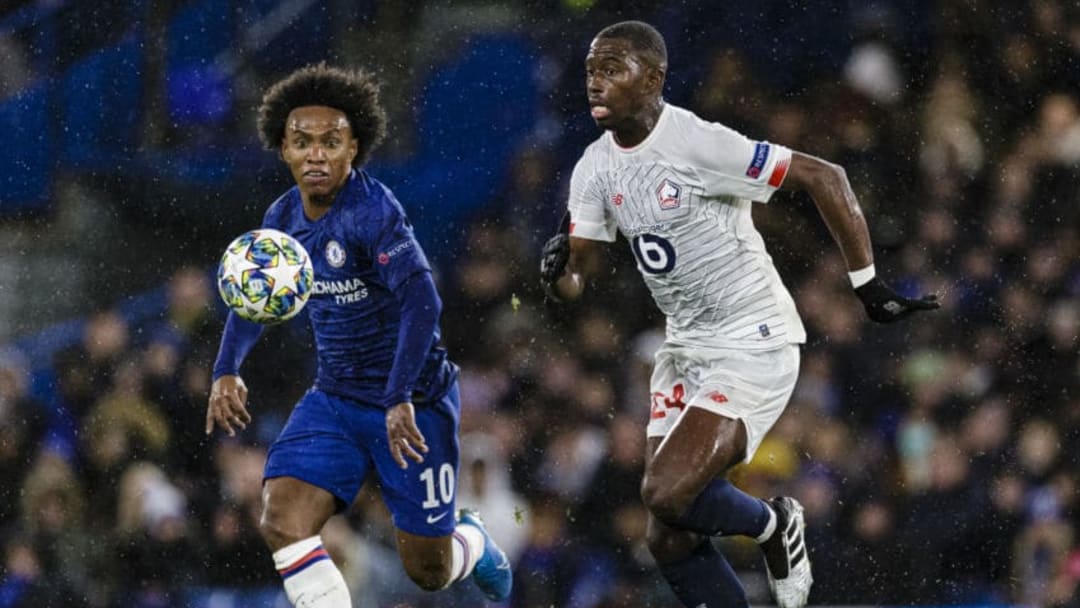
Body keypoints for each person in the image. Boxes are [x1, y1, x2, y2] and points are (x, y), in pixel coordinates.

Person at [539, 21, 939, 608]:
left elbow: (825, 175)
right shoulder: (593, 169)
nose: (596, 83)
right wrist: (557, 279)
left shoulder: (697, 142)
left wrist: (867, 284)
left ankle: (776, 524)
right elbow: (579, 278)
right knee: (667, 536)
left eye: (613, 69)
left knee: (667, 494)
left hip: (752, 341)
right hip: (685, 349)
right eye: (592, 71)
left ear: (653, 80)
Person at [205, 63, 512, 607]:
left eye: (331, 142)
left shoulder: (373, 212)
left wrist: (397, 397)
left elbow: (423, 302)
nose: (316, 154)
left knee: (429, 570)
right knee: (282, 519)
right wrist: (227, 368)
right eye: (302, 142)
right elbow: (255, 301)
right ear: (283, 149)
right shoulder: (281, 218)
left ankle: (471, 541)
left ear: (355, 148)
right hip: (338, 399)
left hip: (414, 402)